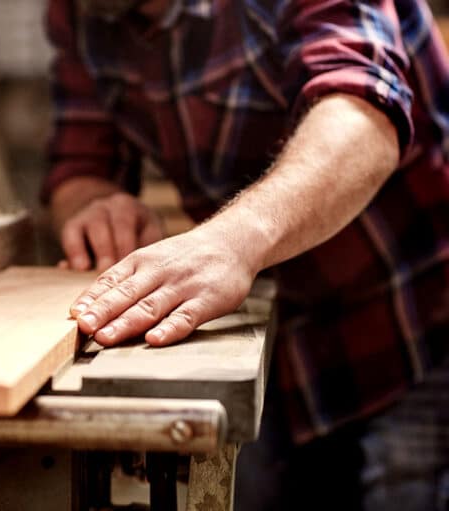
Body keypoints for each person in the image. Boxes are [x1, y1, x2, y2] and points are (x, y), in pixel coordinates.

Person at [42, 0, 449, 509]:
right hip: (277, 334)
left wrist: (230, 244)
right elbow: (78, 162)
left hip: (410, 322)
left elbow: (364, 117)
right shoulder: (83, 12)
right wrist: (95, 206)